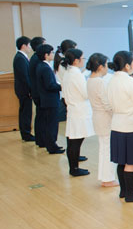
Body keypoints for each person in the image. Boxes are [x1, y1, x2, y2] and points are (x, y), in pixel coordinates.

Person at [107, 51, 133, 203]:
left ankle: (124, 191)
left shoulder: (111, 81)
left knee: (121, 160)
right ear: (127, 65)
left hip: (116, 124)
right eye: (132, 62)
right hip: (131, 125)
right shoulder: (132, 82)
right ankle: (130, 194)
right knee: (131, 161)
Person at [87, 53, 118, 187]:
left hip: (97, 117)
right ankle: (108, 178)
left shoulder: (90, 80)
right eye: (106, 65)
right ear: (100, 67)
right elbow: (106, 104)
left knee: (104, 148)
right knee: (108, 149)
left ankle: (105, 177)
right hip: (105, 118)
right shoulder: (100, 82)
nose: (107, 68)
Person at [61, 49, 93, 177]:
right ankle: (74, 168)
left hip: (73, 110)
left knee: (72, 141)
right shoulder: (76, 74)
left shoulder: (68, 72)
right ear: (76, 60)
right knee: (76, 141)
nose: (84, 61)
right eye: (83, 58)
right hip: (79, 111)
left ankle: (73, 167)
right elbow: (85, 93)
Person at [35, 44, 64, 155]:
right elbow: (50, 85)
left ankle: (51, 144)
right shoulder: (45, 68)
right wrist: (62, 86)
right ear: (46, 55)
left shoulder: (41, 66)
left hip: (47, 99)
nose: (53, 54)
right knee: (52, 124)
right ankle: (52, 146)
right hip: (50, 100)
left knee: (49, 124)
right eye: (51, 53)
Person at [13, 36, 34, 142]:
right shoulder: (20, 58)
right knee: (25, 112)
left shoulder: (21, 57)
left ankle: (26, 133)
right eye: (29, 45)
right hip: (24, 90)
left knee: (25, 112)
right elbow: (24, 77)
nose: (30, 48)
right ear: (23, 46)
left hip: (23, 89)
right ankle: (26, 134)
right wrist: (30, 90)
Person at [28, 36, 47, 148]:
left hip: (37, 92)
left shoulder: (34, 58)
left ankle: (40, 140)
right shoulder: (37, 60)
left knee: (40, 116)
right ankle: (42, 140)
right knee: (41, 117)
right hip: (39, 92)